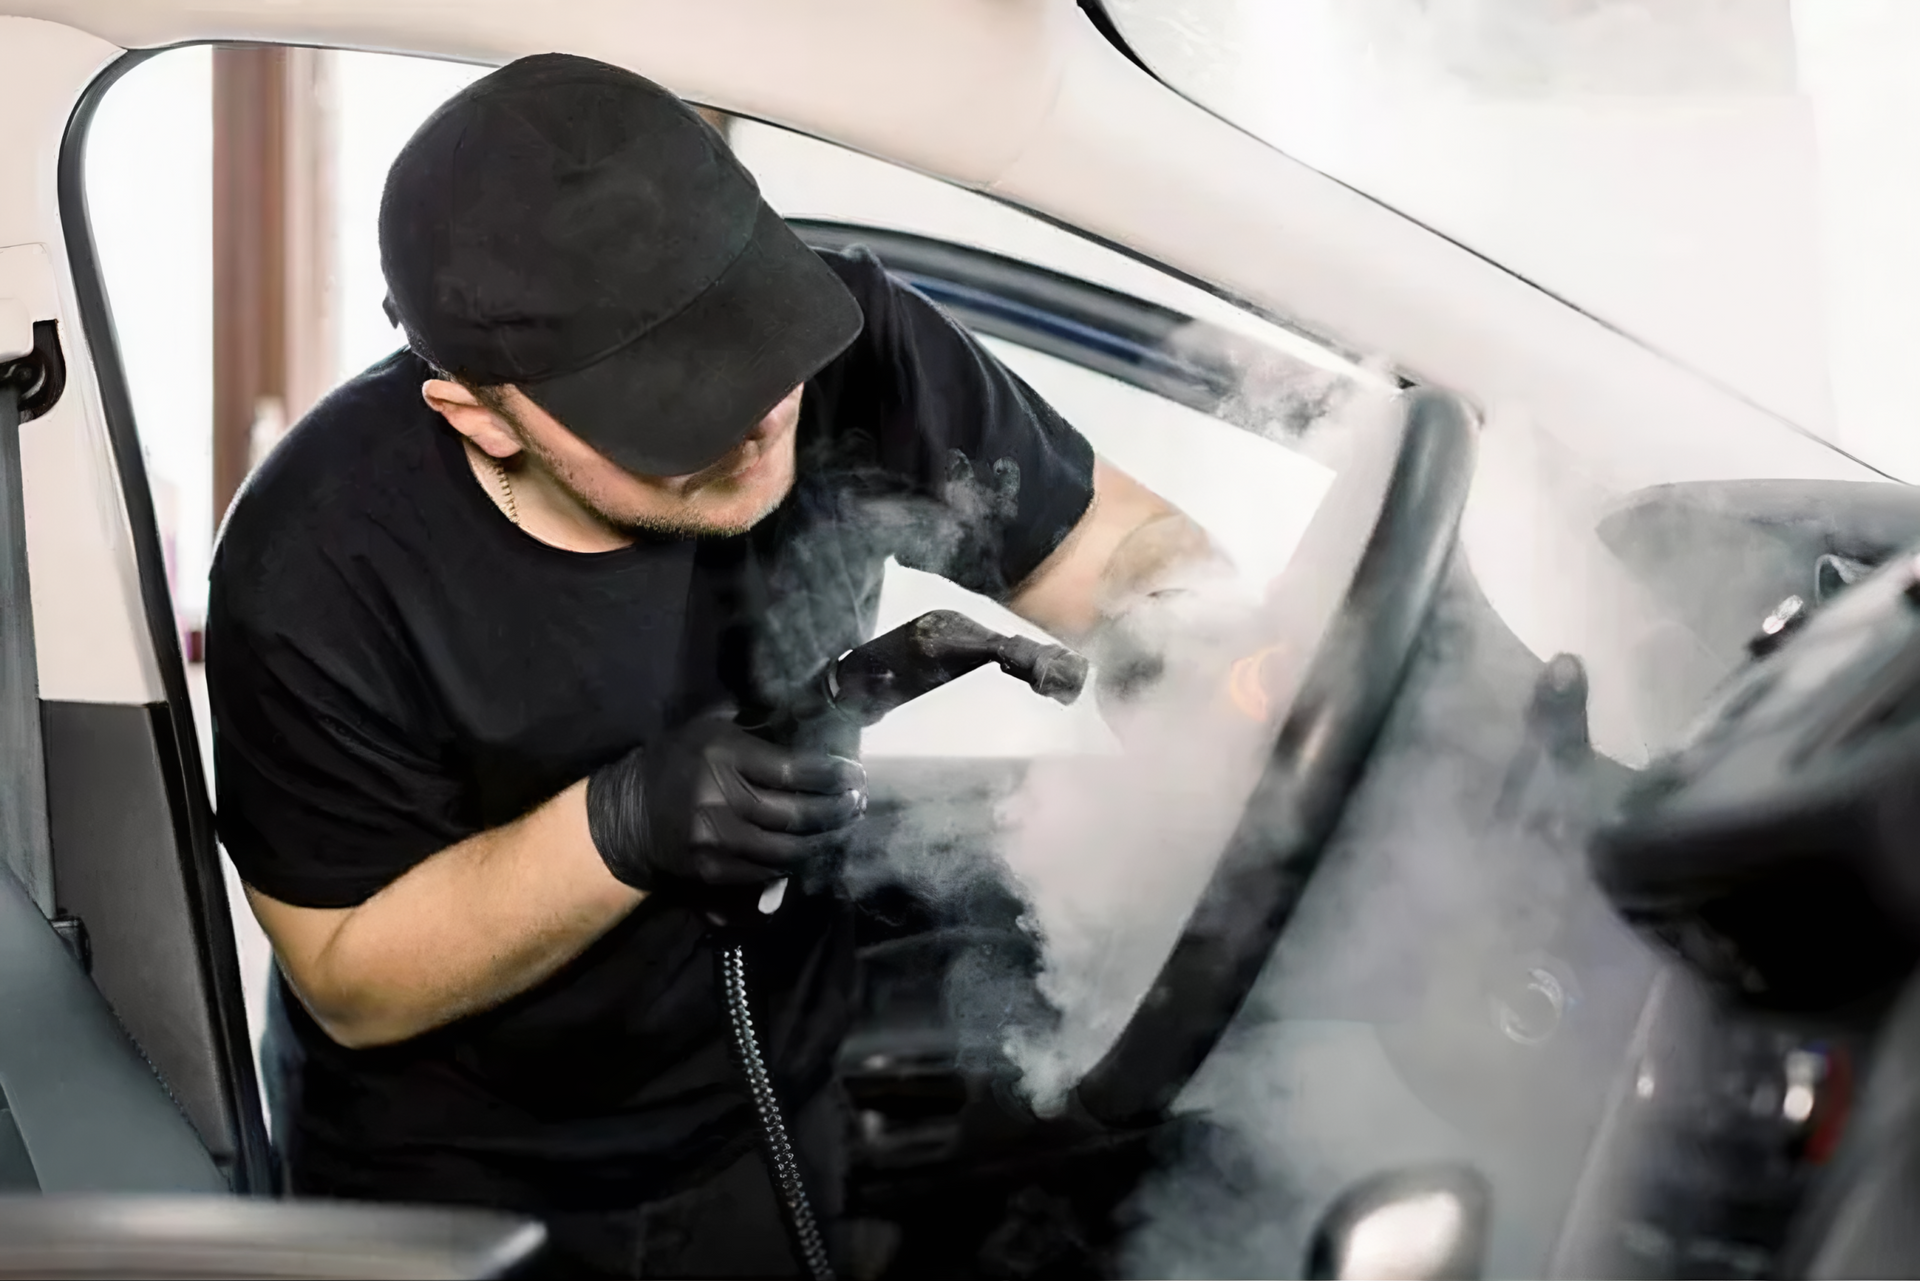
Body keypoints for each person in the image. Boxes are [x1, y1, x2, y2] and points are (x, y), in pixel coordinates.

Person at [208, 52, 1219, 1277]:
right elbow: (349, 975)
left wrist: (1178, 647)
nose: (755, 418)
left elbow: (1116, 545)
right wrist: (618, 826)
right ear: (481, 412)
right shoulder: (321, 558)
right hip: (465, 1185)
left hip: (771, 1105)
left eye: (755, 343)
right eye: (673, 407)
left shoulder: (861, 344)